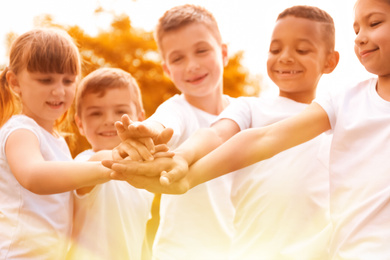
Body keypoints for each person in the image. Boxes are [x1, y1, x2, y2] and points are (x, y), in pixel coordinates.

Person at [110, 0, 390, 259]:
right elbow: (221, 134)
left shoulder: (335, 125)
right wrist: (182, 160)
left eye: (302, 50)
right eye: (275, 49)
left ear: (330, 61)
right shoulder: (329, 108)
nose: (286, 58)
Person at [116, 4, 236, 260]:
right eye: (178, 58)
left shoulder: (243, 112)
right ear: (167, 70)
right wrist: (146, 130)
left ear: (223, 53)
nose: (192, 65)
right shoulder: (177, 109)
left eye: (201, 51)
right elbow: (163, 122)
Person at [0, 28, 116, 259]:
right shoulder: (20, 131)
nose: (59, 90)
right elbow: (34, 176)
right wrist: (103, 169)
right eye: (45, 80)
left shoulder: (57, 140)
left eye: (68, 80)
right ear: (15, 82)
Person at [65, 68, 155, 260]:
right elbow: (101, 163)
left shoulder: (143, 177)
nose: (108, 121)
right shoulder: (83, 163)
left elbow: (139, 235)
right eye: (96, 113)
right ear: (80, 124)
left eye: (120, 111)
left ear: (140, 118)